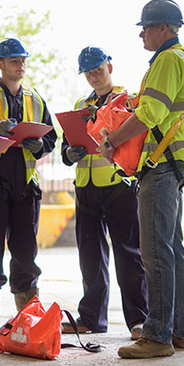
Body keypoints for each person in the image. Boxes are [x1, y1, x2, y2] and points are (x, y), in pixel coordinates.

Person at [100, 0, 184, 359]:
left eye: (145, 27)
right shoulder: (182, 59)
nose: (142, 34)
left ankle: (158, 336)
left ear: (164, 28)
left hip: (161, 164)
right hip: (174, 161)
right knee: (172, 250)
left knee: (156, 252)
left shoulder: (166, 59)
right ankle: (183, 332)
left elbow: (150, 113)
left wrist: (112, 139)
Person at [0, 38, 57, 337]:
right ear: (0, 64)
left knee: (25, 255)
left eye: (22, 60)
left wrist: (39, 144)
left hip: (26, 189)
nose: (20, 66)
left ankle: (28, 318)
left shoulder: (36, 99)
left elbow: (51, 138)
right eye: (13, 61)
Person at [59, 46, 148, 339]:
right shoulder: (79, 105)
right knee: (90, 258)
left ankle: (139, 319)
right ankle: (91, 318)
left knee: (129, 255)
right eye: (88, 72)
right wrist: (70, 153)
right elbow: (66, 150)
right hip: (86, 188)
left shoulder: (130, 100)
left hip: (119, 185)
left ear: (110, 66)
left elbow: (136, 139)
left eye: (98, 69)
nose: (94, 76)